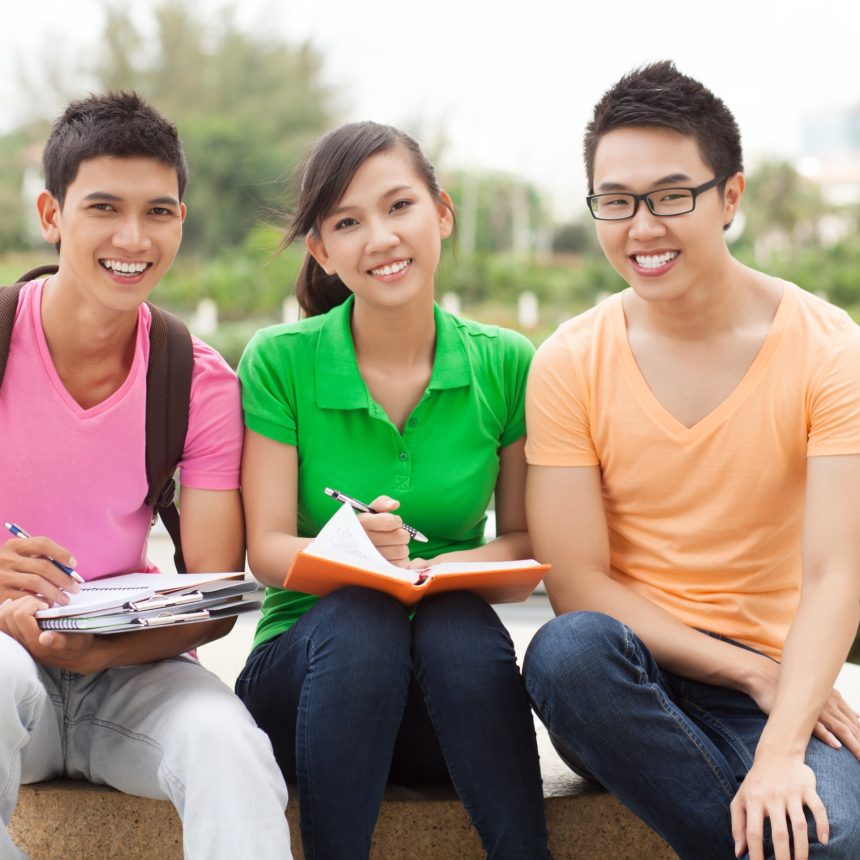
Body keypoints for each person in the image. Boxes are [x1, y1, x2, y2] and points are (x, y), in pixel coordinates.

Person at [522, 61, 860, 860]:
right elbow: (577, 584)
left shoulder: (829, 350)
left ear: (730, 196)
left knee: (833, 836)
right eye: (617, 202)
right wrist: (748, 673)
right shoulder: (569, 360)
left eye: (673, 196)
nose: (643, 228)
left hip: (779, 694)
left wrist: (780, 746)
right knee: (565, 653)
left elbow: (836, 574)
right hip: (629, 687)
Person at [234, 121, 549, 860]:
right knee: (365, 615)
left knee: (457, 622)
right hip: (305, 687)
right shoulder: (282, 360)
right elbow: (268, 550)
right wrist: (353, 554)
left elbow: (529, 541)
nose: (380, 238)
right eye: (348, 222)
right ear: (322, 250)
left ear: (441, 214)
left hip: (442, 710)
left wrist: (430, 573)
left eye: (399, 206)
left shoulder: (506, 362)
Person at [0, 92, 292, 860]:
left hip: (131, 672)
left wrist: (100, 652)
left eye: (158, 211)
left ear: (180, 222)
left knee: (230, 748)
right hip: (3, 669)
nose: (134, 238)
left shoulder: (196, 381)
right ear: (51, 214)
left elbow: (215, 599)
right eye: (103, 206)